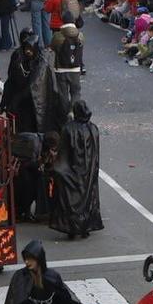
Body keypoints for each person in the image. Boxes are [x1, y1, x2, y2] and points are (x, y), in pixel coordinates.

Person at [49, 101, 104, 240]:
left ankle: (72, 228)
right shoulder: (93, 129)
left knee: (68, 198)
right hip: (88, 172)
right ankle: (85, 227)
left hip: (72, 170)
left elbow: (63, 152)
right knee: (87, 199)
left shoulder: (68, 129)